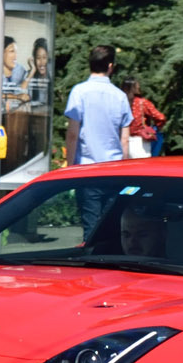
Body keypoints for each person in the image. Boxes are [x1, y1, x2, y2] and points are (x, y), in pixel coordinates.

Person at [63, 45, 133, 238]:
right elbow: (124, 139)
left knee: (90, 225)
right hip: (114, 169)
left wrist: (69, 166)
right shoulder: (120, 96)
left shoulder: (79, 92)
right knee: (112, 227)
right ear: (110, 66)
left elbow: (72, 134)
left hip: (87, 169)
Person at [123, 77, 167, 158]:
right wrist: (156, 128)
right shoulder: (142, 102)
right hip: (140, 143)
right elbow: (160, 118)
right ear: (135, 88)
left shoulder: (120, 102)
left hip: (121, 142)